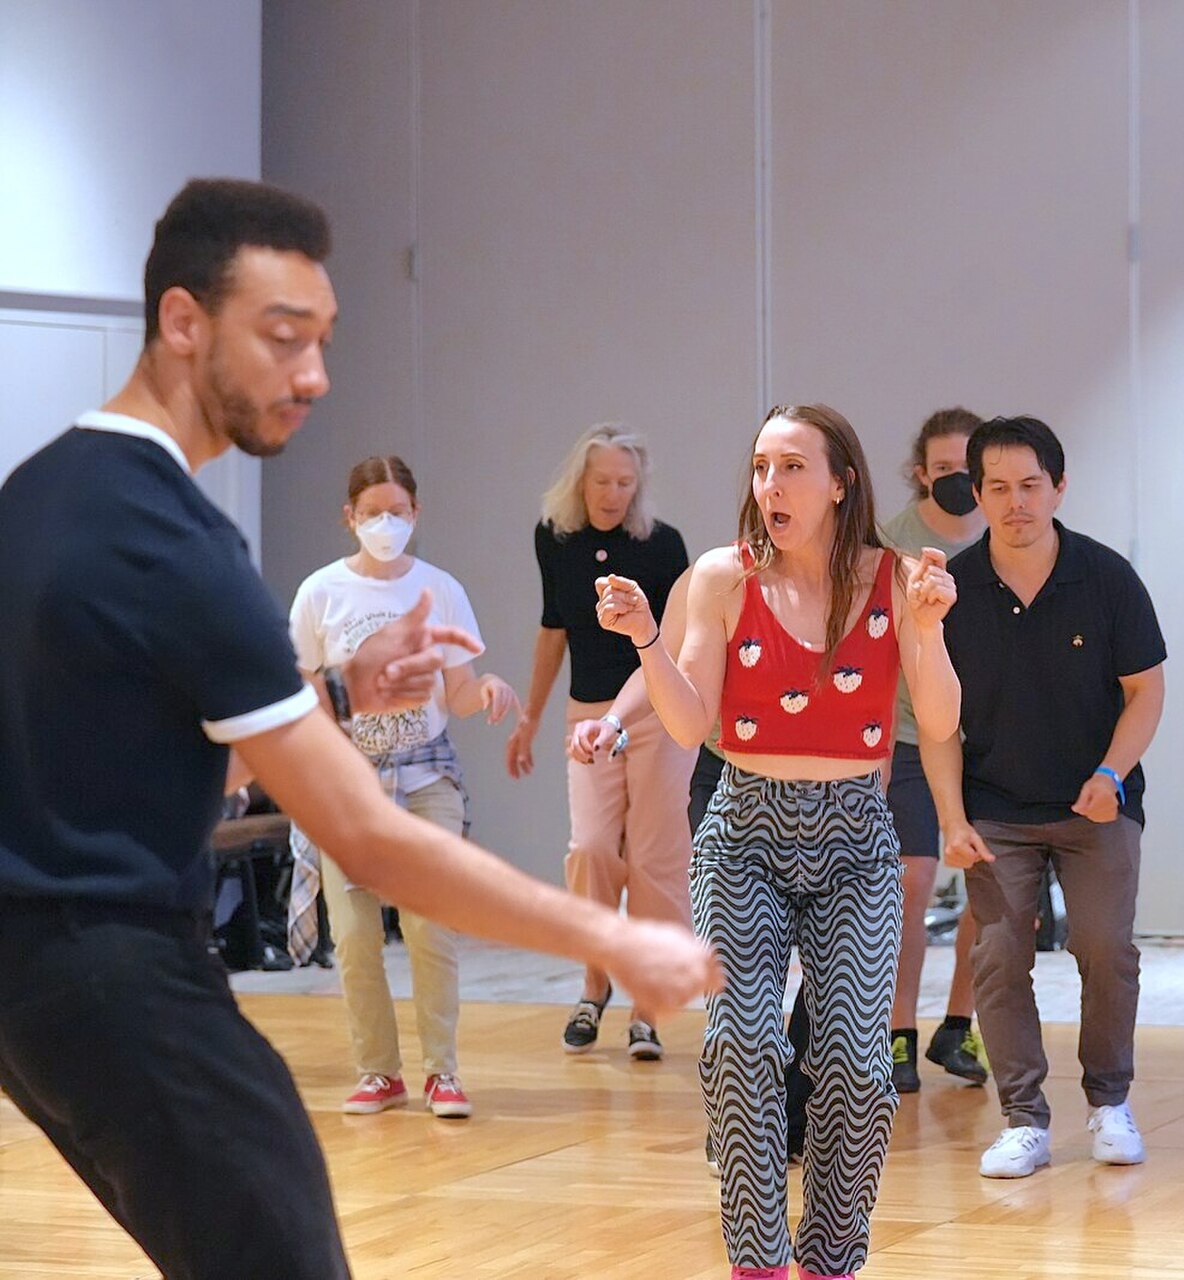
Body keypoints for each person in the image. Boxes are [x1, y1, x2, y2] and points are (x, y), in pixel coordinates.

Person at [0, 178, 716, 1280]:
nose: (315, 375)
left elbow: (129, 738)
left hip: (37, 985)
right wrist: (613, 939)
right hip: (118, 975)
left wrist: (337, 694)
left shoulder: (41, 491)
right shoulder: (177, 543)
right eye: (284, 339)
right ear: (183, 322)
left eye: (324, 340)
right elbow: (373, 839)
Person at [595, 404, 960, 1280]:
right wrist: (647, 637)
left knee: (855, 1064)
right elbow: (691, 720)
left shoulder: (897, 577)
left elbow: (942, 720)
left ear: (841, 483)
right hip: (743, 829)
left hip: (855, 837)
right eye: (761, 467)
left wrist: (931, 626)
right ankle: (757, 1264)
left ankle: (830, 1261)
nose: (771, 486)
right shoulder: (724, 577)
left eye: (793, 467)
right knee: (741, 1046)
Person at [923, 414, 1167, 1180]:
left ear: (1059, 486)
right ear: (977, 494)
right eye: (998, 487)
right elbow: (935, 722)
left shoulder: (1107, 578)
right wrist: (951, 818)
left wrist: (1111, 775)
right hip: (996, 806)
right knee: (997, 955)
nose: (1016, 502)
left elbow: (1146, 693)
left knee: (1104, 947)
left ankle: (1110, 1102)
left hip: (1096, 802)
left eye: (1031, 485)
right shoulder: (952, 591)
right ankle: (1024, 1118)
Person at [288, 454, 521, 1118]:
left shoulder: (440, 589)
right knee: (356, 934)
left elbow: (461, 688)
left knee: (429, 924)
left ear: (416, 514)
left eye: (397, 511)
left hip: (425, 775)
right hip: (348, 784)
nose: (385, 524)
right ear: (349, 518)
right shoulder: (320, 593)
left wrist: (491, 690)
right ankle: (378, 1072)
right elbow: (303, 686)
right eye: (371, 513)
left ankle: (440, 1072)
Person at [504, 424, 696, 1060]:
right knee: (590, 847)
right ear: (579, 482)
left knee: (655, 857)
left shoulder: (663, 545)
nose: (613, 493)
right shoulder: (553, 538)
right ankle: (593, 985)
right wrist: (530, 717)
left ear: (638, 486)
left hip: (657, 715)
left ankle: (647, 1009)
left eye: (624, 482)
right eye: (602, 481)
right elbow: (551, 629)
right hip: (586, 713)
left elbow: (673, 644)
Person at [878, 406, 990, 1093]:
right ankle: (897, 1034)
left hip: (986, 740)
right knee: (909, 885)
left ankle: (958, 1026)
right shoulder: (891, 543)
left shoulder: (1005, 535)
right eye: (943, 468)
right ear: (921, 473)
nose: (957, 479)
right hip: (911, 739)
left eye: (966, 468)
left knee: (993, 885)